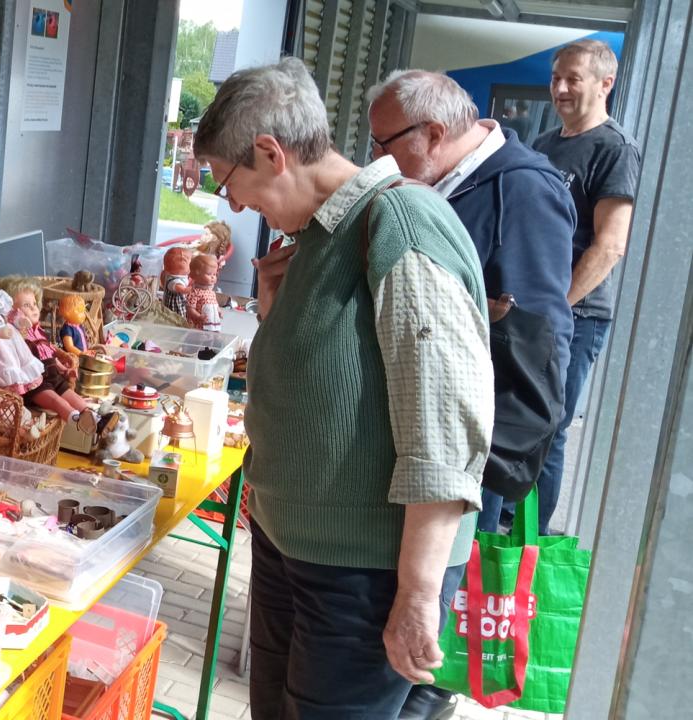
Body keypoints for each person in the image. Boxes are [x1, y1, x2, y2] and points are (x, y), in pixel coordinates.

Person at [195, 57, 493, 719]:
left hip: (360, 575)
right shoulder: (317, 236)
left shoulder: (401, 222)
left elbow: (444, 424)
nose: (233, 204)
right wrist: (275, 311)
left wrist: (416, 596)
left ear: (270, 153)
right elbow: (323, 377)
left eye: (228, 182)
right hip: (292, 549)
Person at [367, 69, 577, 720]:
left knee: (437, 623)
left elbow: (538, 349)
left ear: (431, 133)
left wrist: (483, 479)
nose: (376, 158)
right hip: (434, 447)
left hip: (468, 460)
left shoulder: (522, 191)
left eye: (384, 143)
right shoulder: (448, 181)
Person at [532, 39, 641, 534]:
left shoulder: (614, 150)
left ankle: (526, 552)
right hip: (531, 308)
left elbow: (610, 247)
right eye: (556, 78)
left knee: (548, 432)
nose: (560, 88)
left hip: (576, 318)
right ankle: (499, 528)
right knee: (514, 423)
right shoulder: (543, 145)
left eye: (573, 78)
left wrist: (556, 308)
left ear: (605, 84)